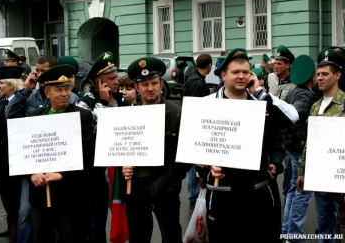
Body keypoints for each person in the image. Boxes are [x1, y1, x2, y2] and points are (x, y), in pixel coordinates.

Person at [204, 48, 298, 242]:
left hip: (259, 192)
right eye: (235, 72)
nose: (241, 76)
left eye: (246, 72)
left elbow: (290, 119)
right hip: (223, 194)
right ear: (223, 74)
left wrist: (260, 93)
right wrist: (206, 163)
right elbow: (194, 147)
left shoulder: (261, 103)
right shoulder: (207, 104)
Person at [122, 57, 191, 243]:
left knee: (170, 234)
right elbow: (119, 149)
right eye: (144, 84)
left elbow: (187, 152)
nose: (150, 88)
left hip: (166, 186)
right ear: (137, 87)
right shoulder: (126, 117)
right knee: (138, 235)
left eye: (154, 83)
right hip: (136, 186)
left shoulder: (177, 113)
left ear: (161, 83)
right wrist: (124, 166)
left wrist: (172, 179)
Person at [28, 64, 94, 243]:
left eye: (67, 89)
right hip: (41, 191)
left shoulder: (82, 117)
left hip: (70, 193)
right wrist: (32, 173)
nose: (64, 94)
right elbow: (25, 152)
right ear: (47, 93)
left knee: (70, 237)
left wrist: (62, 174)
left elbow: (87, 154)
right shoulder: (34, 117)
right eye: (58, 90)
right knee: (42, 237)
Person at [76, 52, 130, 243]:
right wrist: (104, 103)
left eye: (116, 78)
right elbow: (94, 129)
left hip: (122, 172)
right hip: (95, 174)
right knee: (95, 223)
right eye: (111, 79)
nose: (116, 82)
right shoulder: (84, 102)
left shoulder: (123, 101)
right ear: (99, 82)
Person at [297, 49, 345, 242]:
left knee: (340, 220)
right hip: (320, 175)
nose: (320, 78)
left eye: (325, 74)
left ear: (338, 75)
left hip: (339, 176)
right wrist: (302, 170)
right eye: (318, 74)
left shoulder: (344, 104)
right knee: (324, 222)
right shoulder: (316, 106)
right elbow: (311, 142)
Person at [0, 66, 31, 243]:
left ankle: (16, 237)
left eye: (1, 83)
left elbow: (11, 118)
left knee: (16, 206)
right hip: (2, 160)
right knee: (7, 202)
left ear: (11, 84)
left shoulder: (21, 101)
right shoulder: (0, 102)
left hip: (15, 160)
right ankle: (12, 232)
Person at [281, 55, 317, 241]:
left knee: (294, 190)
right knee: (302, 190)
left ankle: (287, 232)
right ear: (312, 76)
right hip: (299, 149)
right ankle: (294, 235)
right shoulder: (304, 94)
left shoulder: (294, 91)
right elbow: (295, 117)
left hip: (293, 147)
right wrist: (298, 142)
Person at [265, 45, 297, 200]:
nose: (275, 66)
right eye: (275, 62)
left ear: (288, 65)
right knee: (271, 165)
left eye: (279, 63)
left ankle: (287, 197)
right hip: (271, 130)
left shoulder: (295, 83)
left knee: (289, 169)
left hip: (288, 131)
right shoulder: (270, 78)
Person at [183, 53, 212, 205]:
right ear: (209, 65)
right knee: (194, 162)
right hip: (195, 126)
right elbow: (196, 107)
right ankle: (194, 196)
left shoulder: (195, 78)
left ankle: (194, 194)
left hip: (192, 124)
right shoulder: (197, 83)